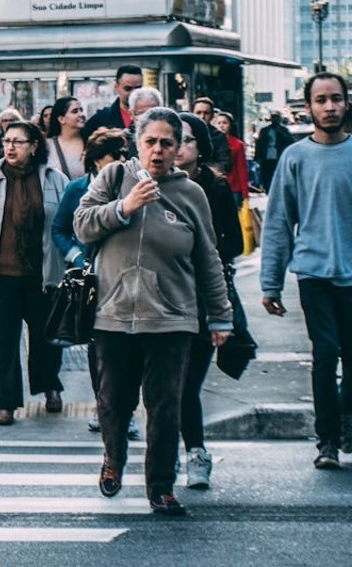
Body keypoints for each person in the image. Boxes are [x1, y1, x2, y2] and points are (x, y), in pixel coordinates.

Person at [75, 107, 232, 516]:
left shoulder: (191, 194)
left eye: (167, 143)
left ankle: (160, 486)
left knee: (165, 404)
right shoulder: (113, 178)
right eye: (151, 142)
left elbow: (208, 259)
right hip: (114, 312)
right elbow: (82, 224)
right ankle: (113, 458)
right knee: (113, 400)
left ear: (179, 148)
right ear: (136, 143)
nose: (158, 150)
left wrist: (220, 315)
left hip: (172, 317)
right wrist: (124, 207)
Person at [261, 73, 352, 469]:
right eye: (321, 100)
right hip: (313, 273)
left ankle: (347, 423)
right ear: (309, 106)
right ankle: (327, 440)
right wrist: (271, 283)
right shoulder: (295, 157)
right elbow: (279, 223)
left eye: (336, 99)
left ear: (347, 103)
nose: (329, 106)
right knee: (325, 354)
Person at [0, 120, 68, 426]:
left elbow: (66, 219)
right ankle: (6, 403)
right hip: (0, 275)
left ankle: (49, 386)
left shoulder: (52, 178)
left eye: (17, 142)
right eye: (6, 141)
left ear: (34, 146)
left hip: (43, 275)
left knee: (46, 338)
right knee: (4, 342)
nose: (9, 147)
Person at [50, 128, 138, 438]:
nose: (123, 160)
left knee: (131, 345)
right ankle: (103, 406)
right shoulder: (78, 189)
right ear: (98, 160)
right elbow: (60, 229)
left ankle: (126, 411)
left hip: (128, 277)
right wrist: (76, 258)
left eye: (126, 154)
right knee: (98, 348)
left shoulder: (134, 186)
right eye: (116, 155)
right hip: (93, 280)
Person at [174, 112, 243, 490]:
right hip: (162, 299)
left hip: (201, 299)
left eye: (186, 140)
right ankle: (169, 448)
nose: (178, 147)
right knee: (164, 385)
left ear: (200, 148)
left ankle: (196, 452)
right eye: (173, 139)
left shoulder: (214, 189)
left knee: (186, 385)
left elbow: (235, 242)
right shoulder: (152, 184)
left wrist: (201, 251)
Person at [83, 64, 144, 138]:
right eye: (128, 88)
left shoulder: (151, 118)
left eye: (138, 88)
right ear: (116, 87)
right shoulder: (101, 119)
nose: (133, 93)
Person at [212, 111, 250, 207]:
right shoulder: (211, 142)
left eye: (225, 123)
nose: (221, 126)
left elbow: (242, 168)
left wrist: (245, 192)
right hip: (216, 186)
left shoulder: (238, 144)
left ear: (230, 125)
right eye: (219, 123)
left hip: (234, 187)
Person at [45, 96, 88, 180]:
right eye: (75, 111)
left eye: (81, 110)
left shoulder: (92, 142)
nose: (81, 114)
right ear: (61, 119)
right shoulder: (47, 146)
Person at [254, 110, 295, 192]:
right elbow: (259, 143)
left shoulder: (284, 130)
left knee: (279, 173)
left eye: (277, 118)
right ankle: (267, 189)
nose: (275, 120)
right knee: (267, 173)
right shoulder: (264, 130)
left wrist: (279, 133)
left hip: (279, 156)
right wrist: (257, 156)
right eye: (273, 118)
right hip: (267, 156)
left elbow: (290, 141)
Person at [191, 97, 233, 175]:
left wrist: (205, 170)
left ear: (212, 115)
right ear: (192, 113)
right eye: (198, 113)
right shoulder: (185, 134)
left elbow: (226, 163)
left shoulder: (219, 136)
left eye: (206, 113)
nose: (202, 116)